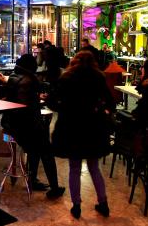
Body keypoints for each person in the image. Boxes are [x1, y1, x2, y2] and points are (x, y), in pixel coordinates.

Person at [48, 50, 114, 219]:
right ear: (93, 62)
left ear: (74, 61)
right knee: (94, 167)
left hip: (71, 127)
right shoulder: (99, 78)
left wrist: (64, 109)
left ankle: (76, 206)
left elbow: (52, 101)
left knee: (74, 168)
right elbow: (111, 102)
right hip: (94, 127)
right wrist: (101, 110)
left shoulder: (66, 78)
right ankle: (103, 203)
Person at [0, 54, 65, 199]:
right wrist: (43, 100)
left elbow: (18, 101)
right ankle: (54, 188)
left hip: (10, 124)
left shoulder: (13, 76)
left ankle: (32, 179)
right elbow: (27, 110)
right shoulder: (29, 81)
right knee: (47, 150)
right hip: (24, 126)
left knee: (36, 148)